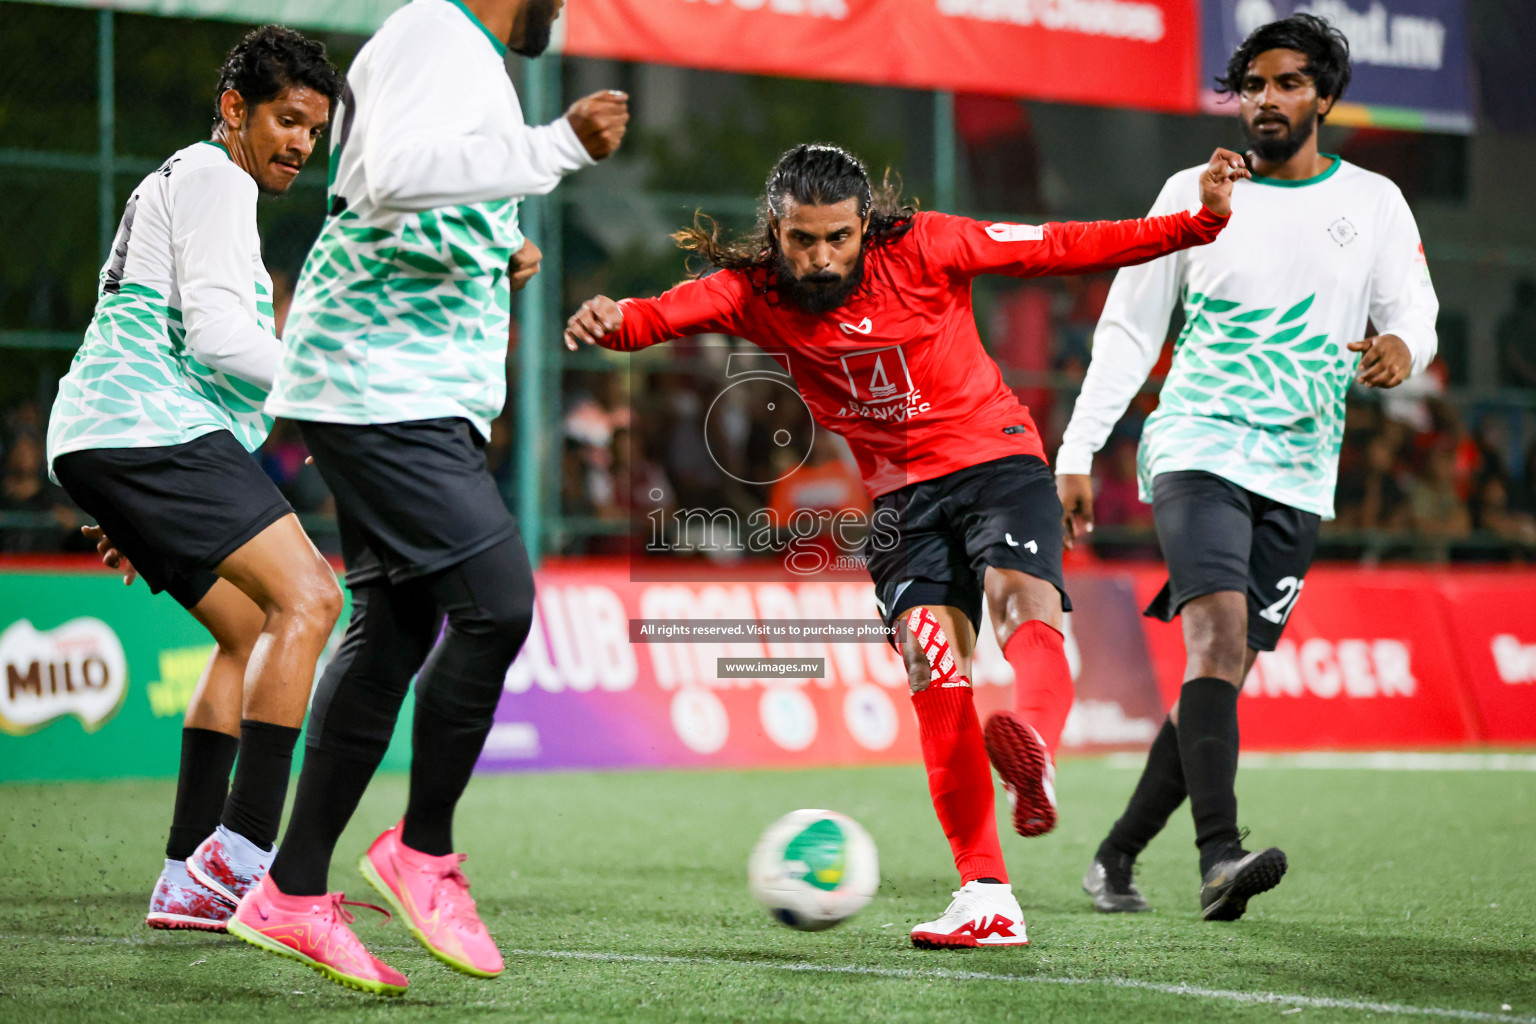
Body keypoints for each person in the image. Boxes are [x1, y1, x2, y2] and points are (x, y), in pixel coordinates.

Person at [565, 141, 1246, 948]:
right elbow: (653, 317)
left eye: (837, 239)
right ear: (775, 232)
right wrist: (611, 319)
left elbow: (1063, 244)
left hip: (995, 459)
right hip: (899, 500)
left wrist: (1197, 222)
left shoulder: (927, 244)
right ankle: (987, 896)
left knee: (1016, 596)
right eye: (802, 240)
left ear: (866, 226)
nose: (820, 258)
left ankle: (1033, 744)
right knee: (931, 659)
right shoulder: (751, 292)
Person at [233, 0, 628, 995]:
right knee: (497, 603)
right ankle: (422, 850)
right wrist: (553, 149)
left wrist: (493, 248)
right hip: (378, 386)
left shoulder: (460, 53)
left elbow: (405, 199)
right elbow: (385, 177)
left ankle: (291, 889)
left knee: (399, 629)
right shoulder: (439, 34)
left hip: (399, 387)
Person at [1056, 14, 1439, 921]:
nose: (1267, 100)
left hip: (1303, 469)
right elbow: (1128, 330)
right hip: (1197, 442)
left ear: (1326, 97)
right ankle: (1219, 858)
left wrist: (1400, 349)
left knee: (1217, 678)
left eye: (1289, 84)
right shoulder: (1194, 193)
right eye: (1255, 85)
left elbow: (1415, 315)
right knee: (1217, 638)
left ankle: (1114, 857)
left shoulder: (1375, 203)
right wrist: (1076, 448)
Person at [42, 28, 343, 932]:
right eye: (286, 120)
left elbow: (170, 330)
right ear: (233, 111)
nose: (300, 143)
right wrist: (327, 394)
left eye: (314, 131)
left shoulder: (183, 179)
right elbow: (215, 338)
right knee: (312, 601)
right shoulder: (217, 178)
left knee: (250, 625)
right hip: (147, 431)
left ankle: (187, 872)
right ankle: (244, 863)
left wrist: (121, 490)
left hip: (117, 433)